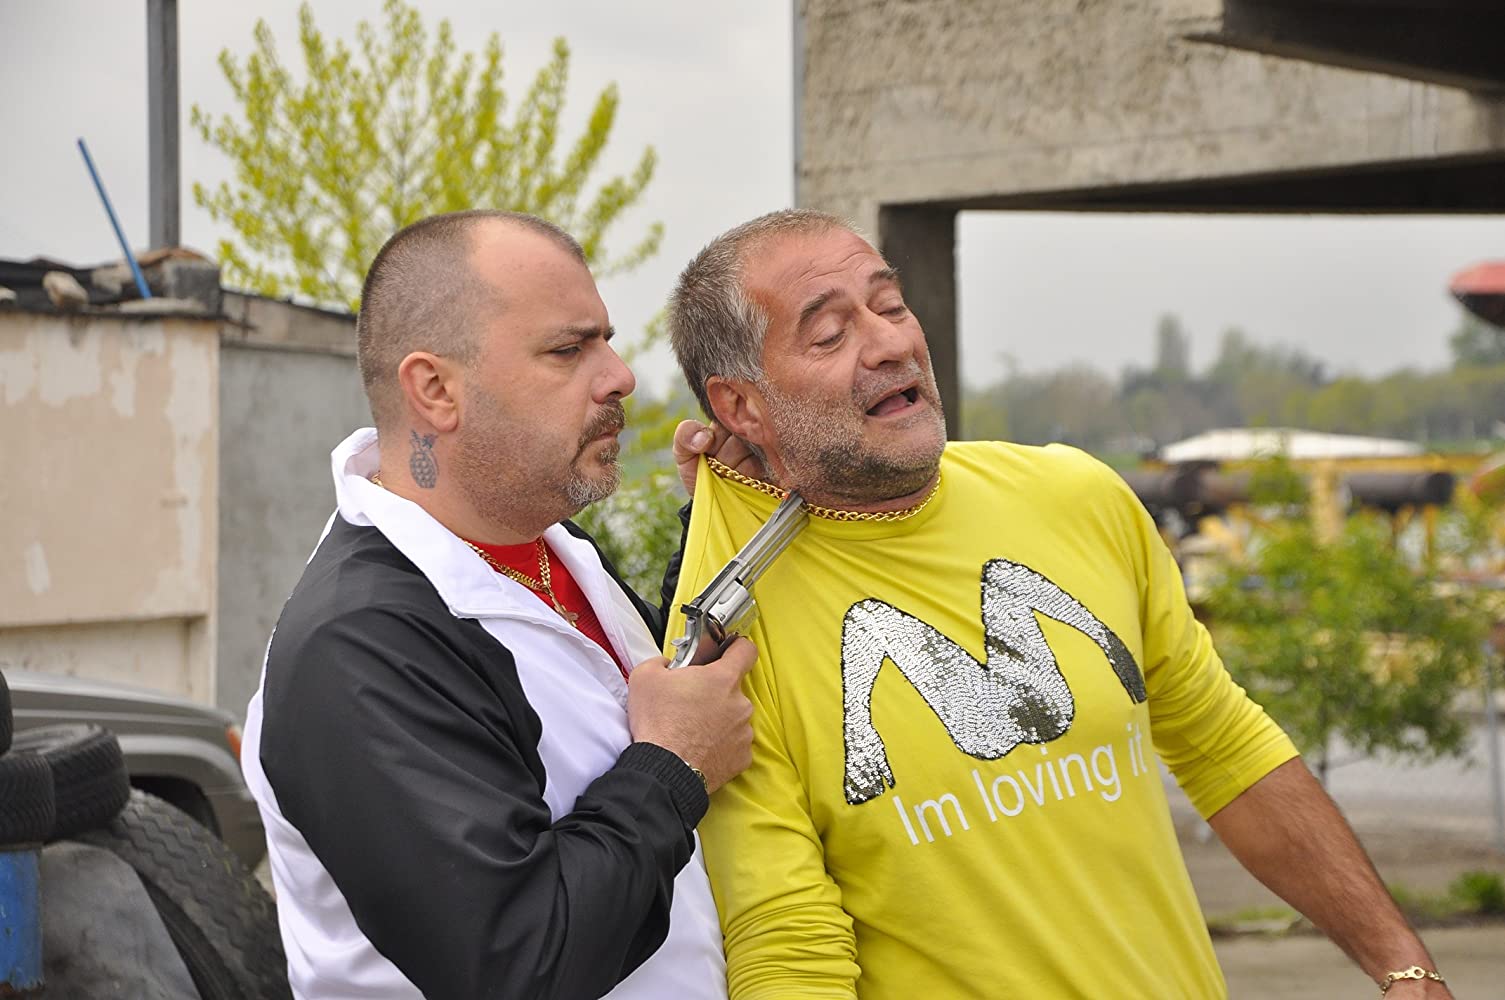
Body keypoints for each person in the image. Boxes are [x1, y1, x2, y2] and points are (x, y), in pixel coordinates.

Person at [663, 208, 1453, 999]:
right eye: (830, 334)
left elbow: (1223, 746)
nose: (889, 343)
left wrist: (1402, 965)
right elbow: (787, 938)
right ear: (741, 407)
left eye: (891, 305)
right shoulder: (723, 639)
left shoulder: (1074, 496)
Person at [241, 209, 756, 1000]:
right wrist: (673, 767)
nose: (619, 375)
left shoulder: (549, 547)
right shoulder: (358, 647)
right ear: (435, 390)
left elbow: (627, 710)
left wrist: (723, 522)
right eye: (568, 350)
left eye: (606, 340)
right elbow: (516, 959)